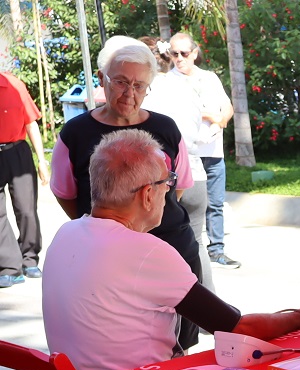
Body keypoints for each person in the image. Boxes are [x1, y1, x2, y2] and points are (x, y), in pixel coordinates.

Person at [41, 129, 300, 370]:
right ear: (147, 194)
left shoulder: (66, 234)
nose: (169, 190)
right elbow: (239, 328)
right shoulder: (146, 252)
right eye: (166, 182)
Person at [50, 37, 207, 352]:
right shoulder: (76, 134)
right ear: (103, 81)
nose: (129, 93)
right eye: (121, 82)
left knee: (178, 347)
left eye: (139, 85)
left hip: (171, 247)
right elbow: (66, 193)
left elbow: (178, 185)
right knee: (121, 345)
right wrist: (112, 229)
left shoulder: (166, 129)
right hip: (107, 262)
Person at [141, 35, 213, 290]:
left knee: (168, 249)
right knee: (197, 244)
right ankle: (211, 312)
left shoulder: (150, 96)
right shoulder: (186, 87)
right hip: (196, 172)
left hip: (170, 180)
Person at [168, 32, 240, 269]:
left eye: (184, 53)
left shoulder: (209, 78)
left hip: (213, 151)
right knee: (185, 205)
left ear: (195, 53)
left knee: (215, 203)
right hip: (187, 155)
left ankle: (216, 249)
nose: (179, 58)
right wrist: (211, 115)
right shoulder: (168, 82)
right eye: (174, 53)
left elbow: (227, 106)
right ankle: (185, 250)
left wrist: (222, 119)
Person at [0, 71, 50, 289]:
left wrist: (42, 160)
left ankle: (30, 258)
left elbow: (31, 123)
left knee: (26, 207)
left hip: (17, 151)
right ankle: (9, 266)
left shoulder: (14, 85)